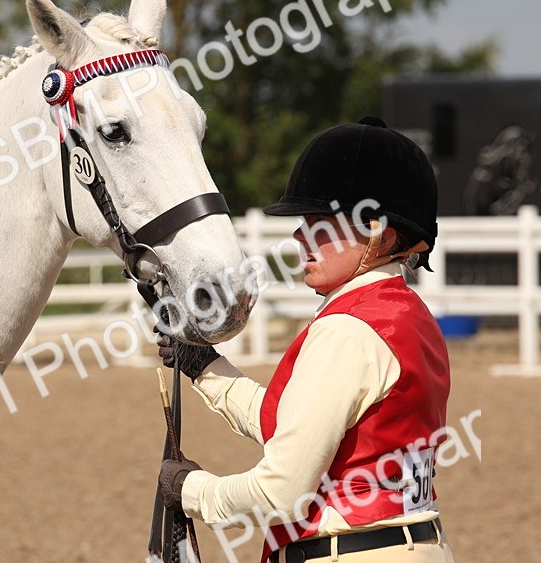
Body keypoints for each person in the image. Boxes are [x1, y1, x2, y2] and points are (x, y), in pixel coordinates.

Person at [158, 117, 454, 562]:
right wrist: (204, 366)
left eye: (321, 223)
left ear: (381, 236)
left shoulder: (346, 331)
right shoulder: (408, 317)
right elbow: (295, 427)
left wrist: (193, 490)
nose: (300, 235)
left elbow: (281, 491)